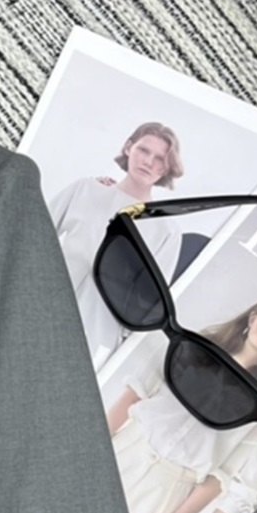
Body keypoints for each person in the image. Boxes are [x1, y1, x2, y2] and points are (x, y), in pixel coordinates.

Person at [105, 297, 257, 513]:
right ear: (252, 318)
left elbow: (220, 476)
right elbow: (134, 394)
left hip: (167, 491)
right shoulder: (191, 347)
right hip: (125, 451)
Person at [49, 121, 184, 368]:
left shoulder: (166, 231)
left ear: (167, 167)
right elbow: (34, 234)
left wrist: (117, 342)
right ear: (128, 147)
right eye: (143, 150)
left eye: (160, 158)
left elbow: (150, 304)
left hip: (96, 333)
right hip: (45, 303)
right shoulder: (86, 189)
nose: (148, 162)